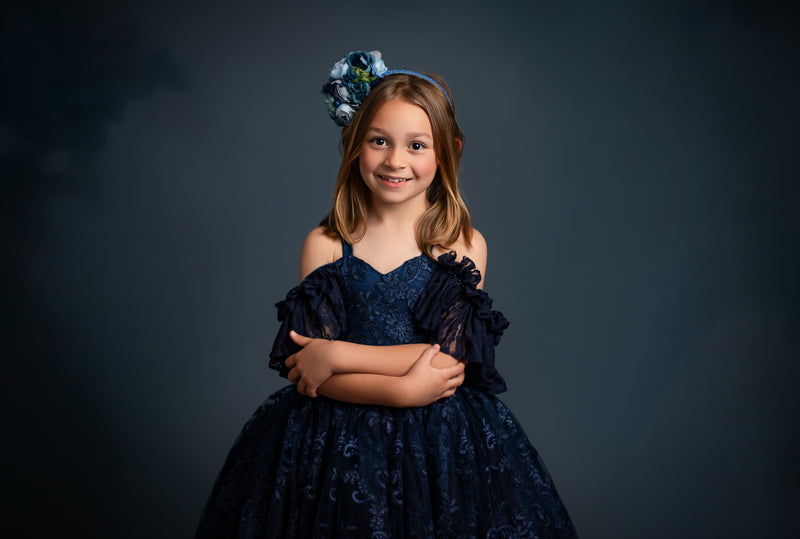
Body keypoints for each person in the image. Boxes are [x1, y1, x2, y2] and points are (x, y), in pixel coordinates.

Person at [196, 50, 578, 538]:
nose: (396, 160)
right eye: (380, 141)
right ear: (356, 146)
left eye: (417, 145)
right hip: (331, 448)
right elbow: (310, 374)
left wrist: (341, 356)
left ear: (448, 153)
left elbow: (447, 362)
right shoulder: (327, 244)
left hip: (441, 447)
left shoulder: (461, 245)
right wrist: (379, 376)